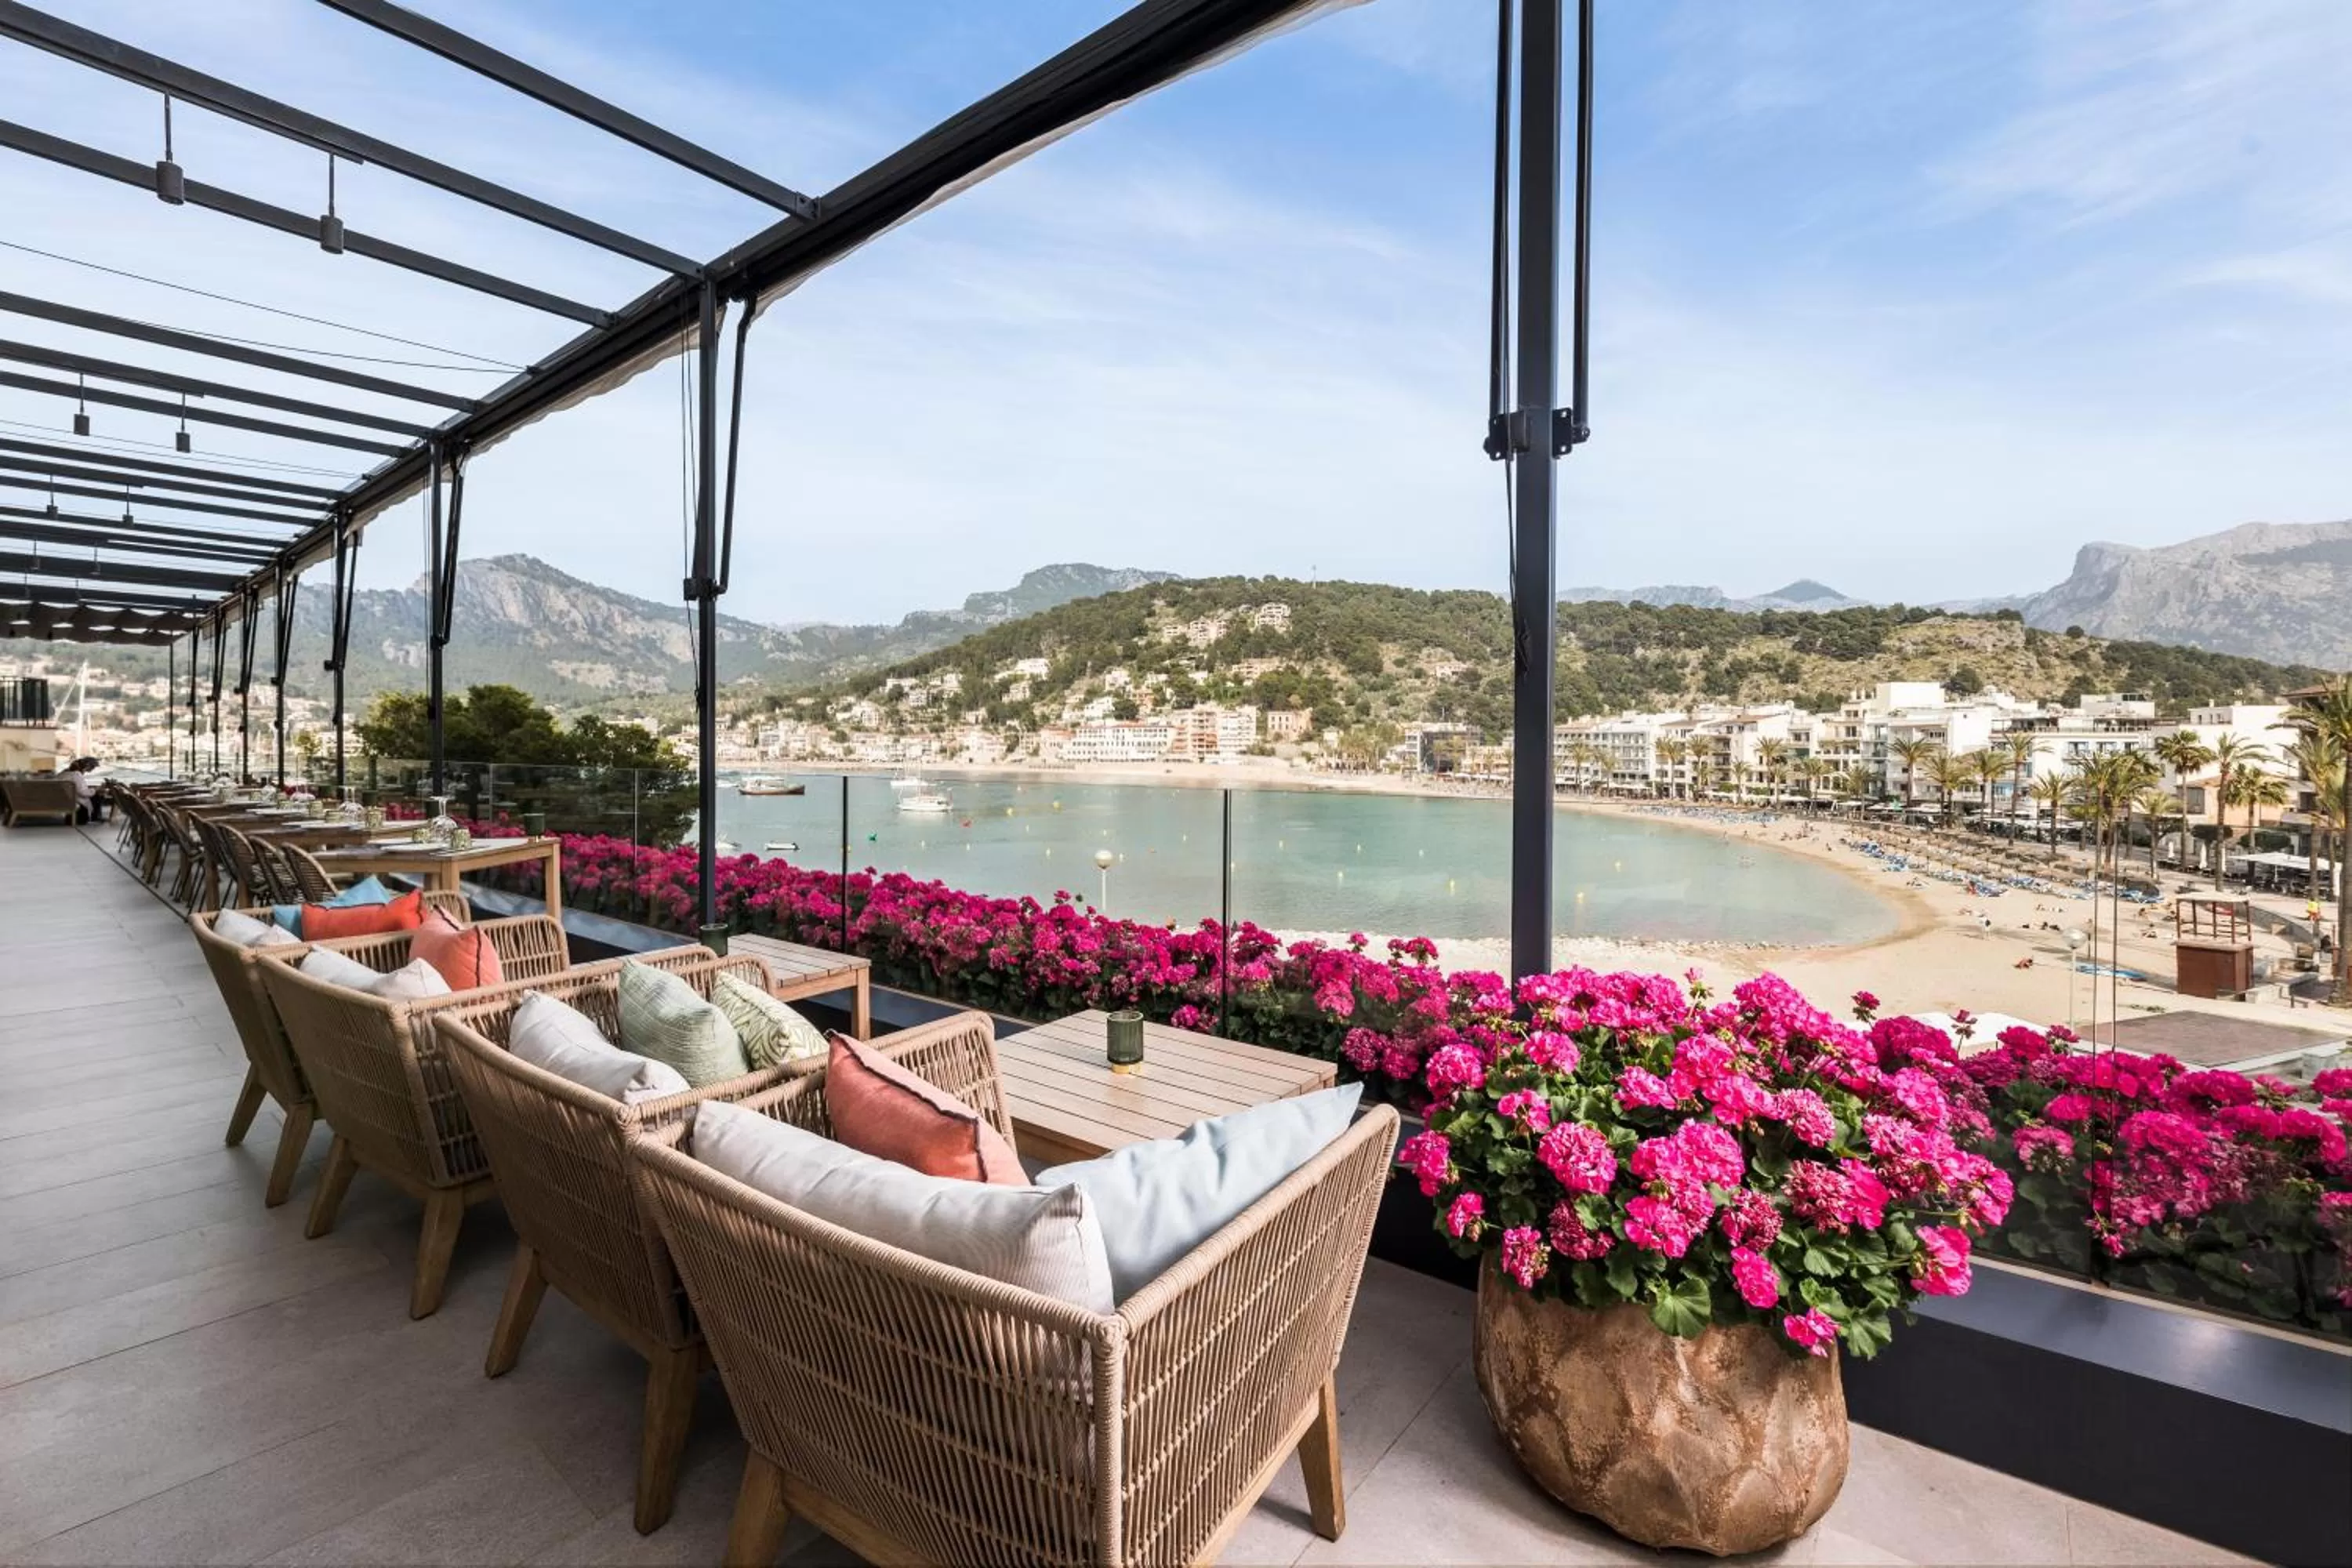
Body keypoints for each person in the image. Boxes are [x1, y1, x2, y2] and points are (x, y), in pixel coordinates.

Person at [67, 757, 110, 825]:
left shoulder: (65, 774)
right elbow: (84, 793)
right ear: (87, 767)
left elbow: (78, 788)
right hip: (75, 802)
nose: (93, 769)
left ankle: (95, 817)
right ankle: (94, 817)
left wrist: (94, 789)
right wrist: (96, 789)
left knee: (95, 792)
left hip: (64, 800)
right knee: (98, 794)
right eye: (93, 767)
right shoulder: (76, 775)